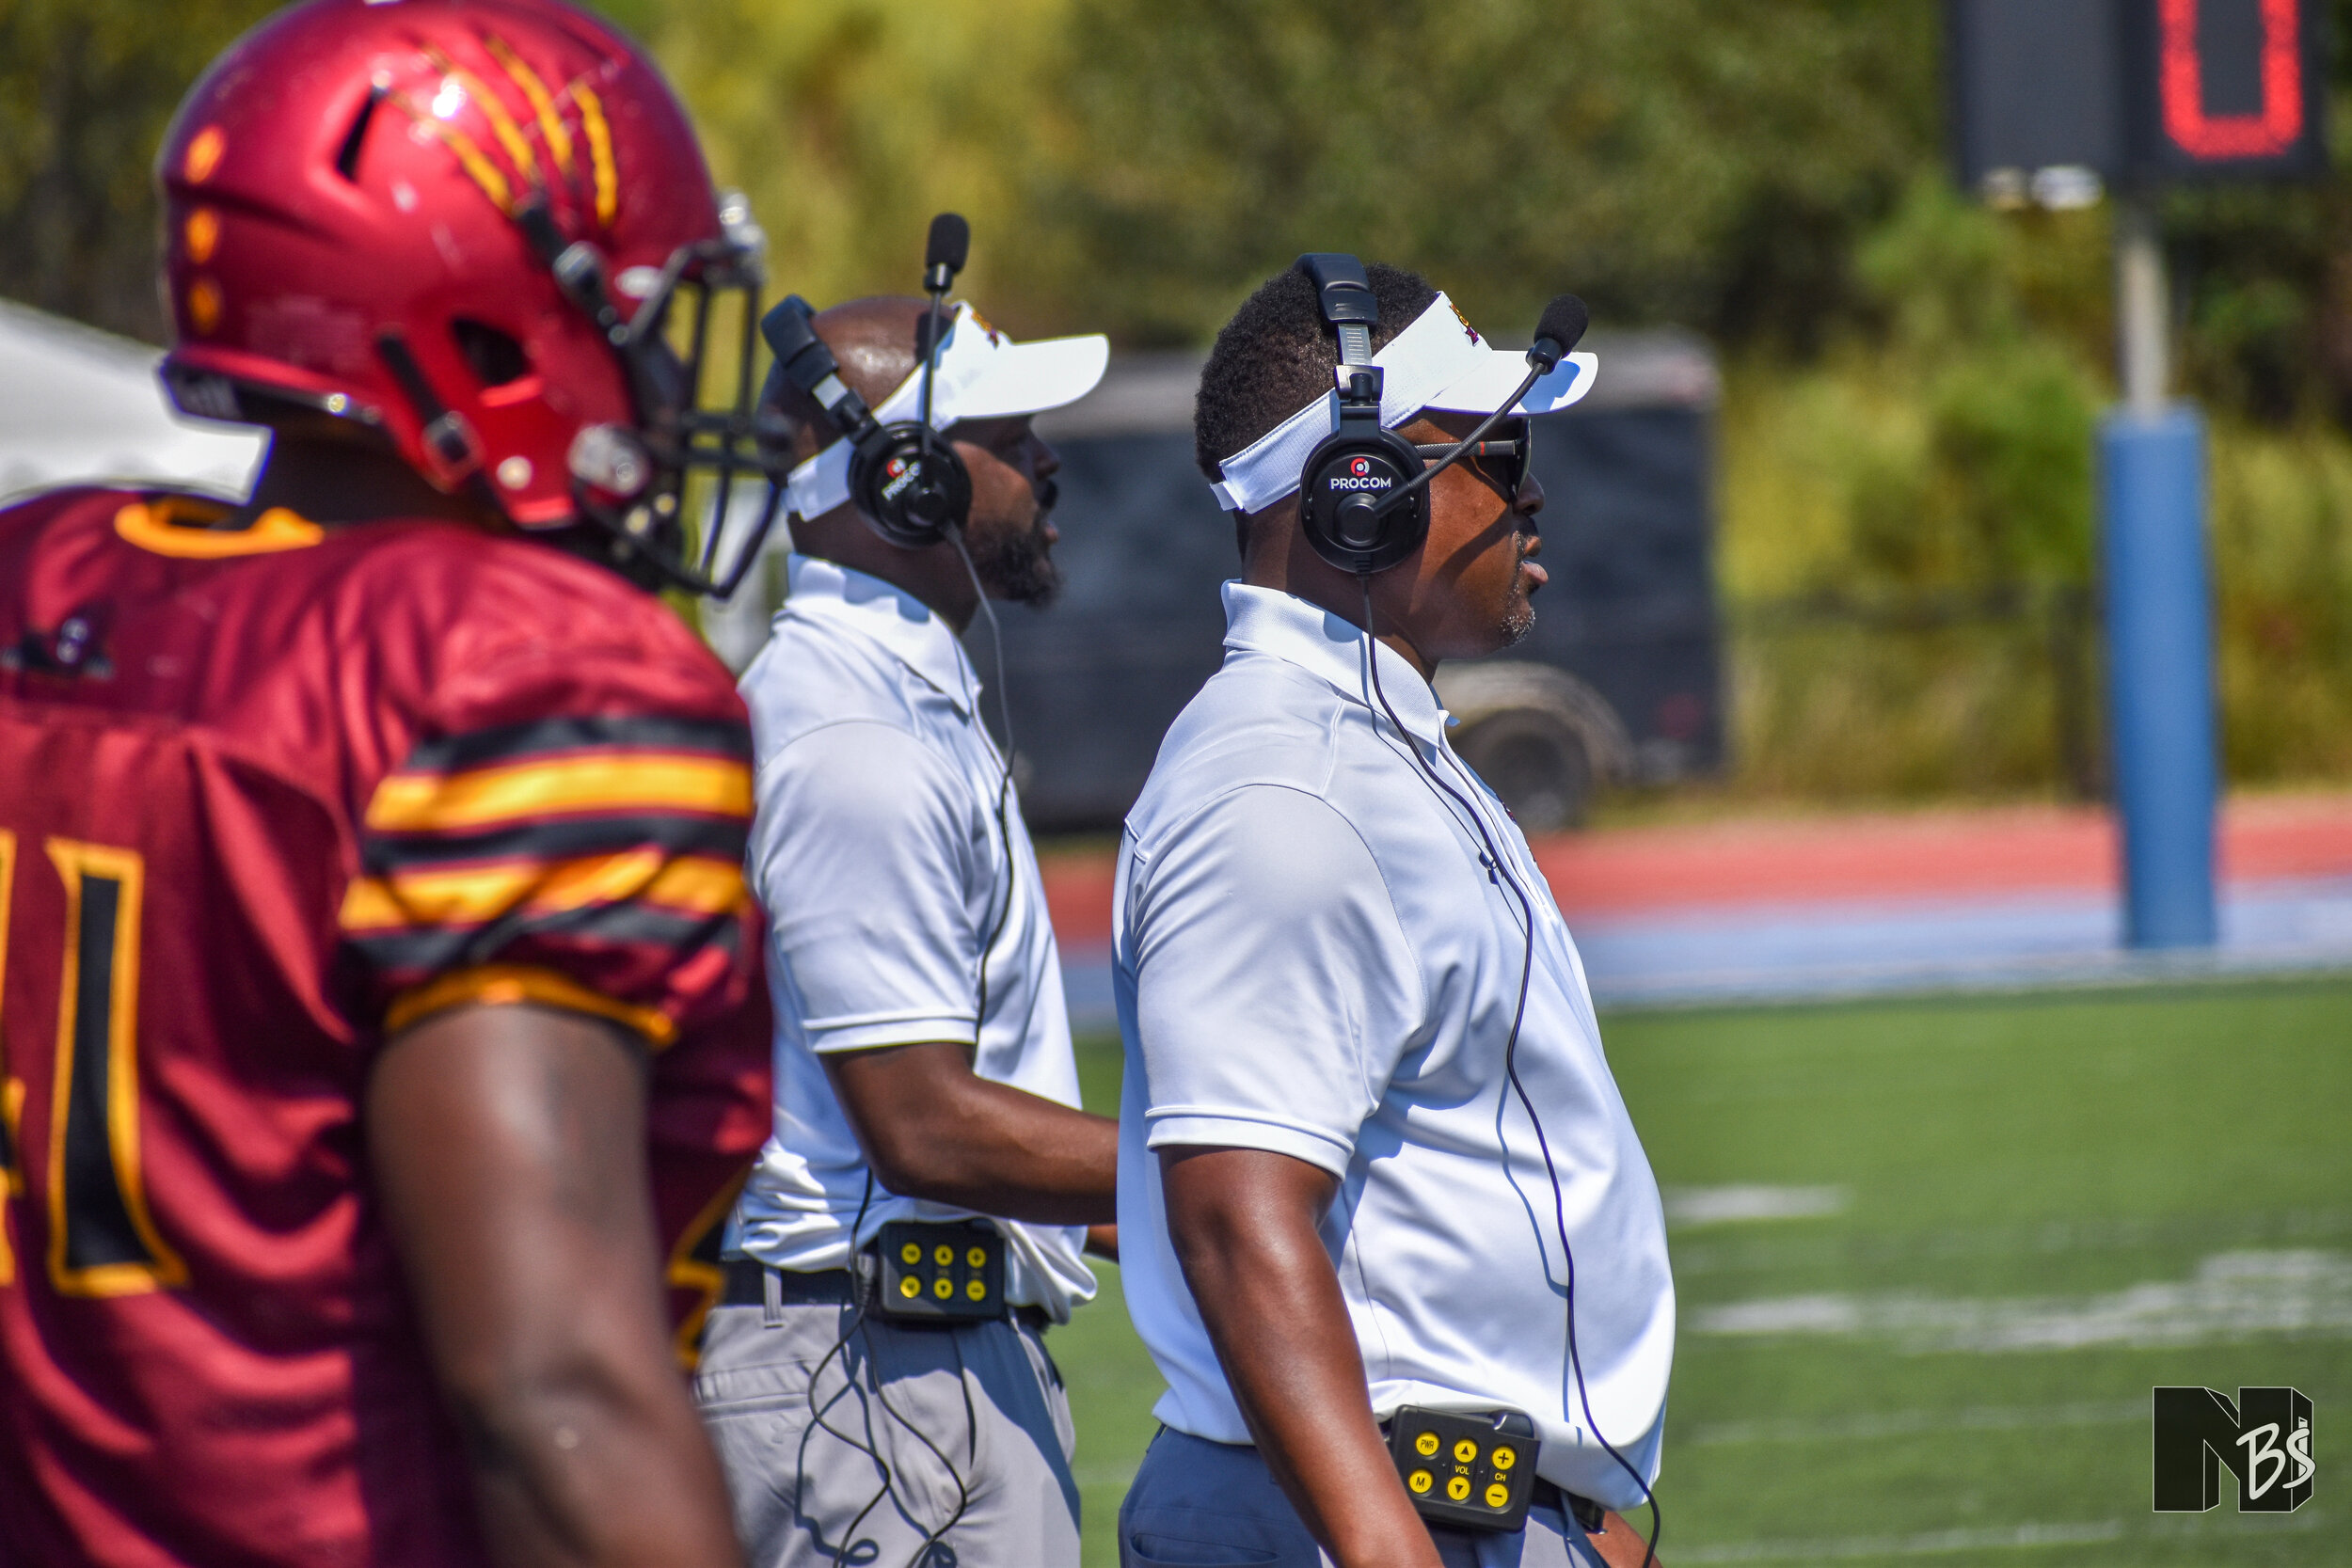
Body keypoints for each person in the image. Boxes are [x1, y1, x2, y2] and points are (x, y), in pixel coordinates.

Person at [0, 3, 784, 1563]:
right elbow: (551, 1397)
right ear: (493, 326)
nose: (657, 378)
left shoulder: (40, 587)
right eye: (637, 318)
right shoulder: (506, 671)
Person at [1110, 258, 1677, 1568]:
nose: (1531, 493)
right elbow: (1239, 1221)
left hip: (1453, 1510)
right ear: (1361, 490)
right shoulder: (1290, 793)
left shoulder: (1363, 748)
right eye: (1495, 450)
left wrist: (1564, 1506)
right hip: (1367, 1524)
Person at [699, 284, 1118, 1568]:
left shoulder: (887, 700)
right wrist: (1236, 1176)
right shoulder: (856, 741)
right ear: (904, 478)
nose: (1045, 460)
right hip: (871, 1383)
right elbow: (923, 1126)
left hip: (904, 1369)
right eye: (1009, 435)